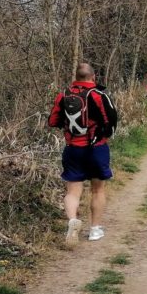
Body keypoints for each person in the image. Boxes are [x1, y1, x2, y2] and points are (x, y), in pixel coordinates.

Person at [48, 62, 118, 244]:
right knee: (98, 189)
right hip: (97, 149)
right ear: (93, 77)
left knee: (72, 191)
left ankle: (72, 221)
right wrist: (104, 135)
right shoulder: (98, 95)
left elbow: (53, 120)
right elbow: (111, 121)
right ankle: (95, 230)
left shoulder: (63, 95)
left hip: (72, 149)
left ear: (76, 77)